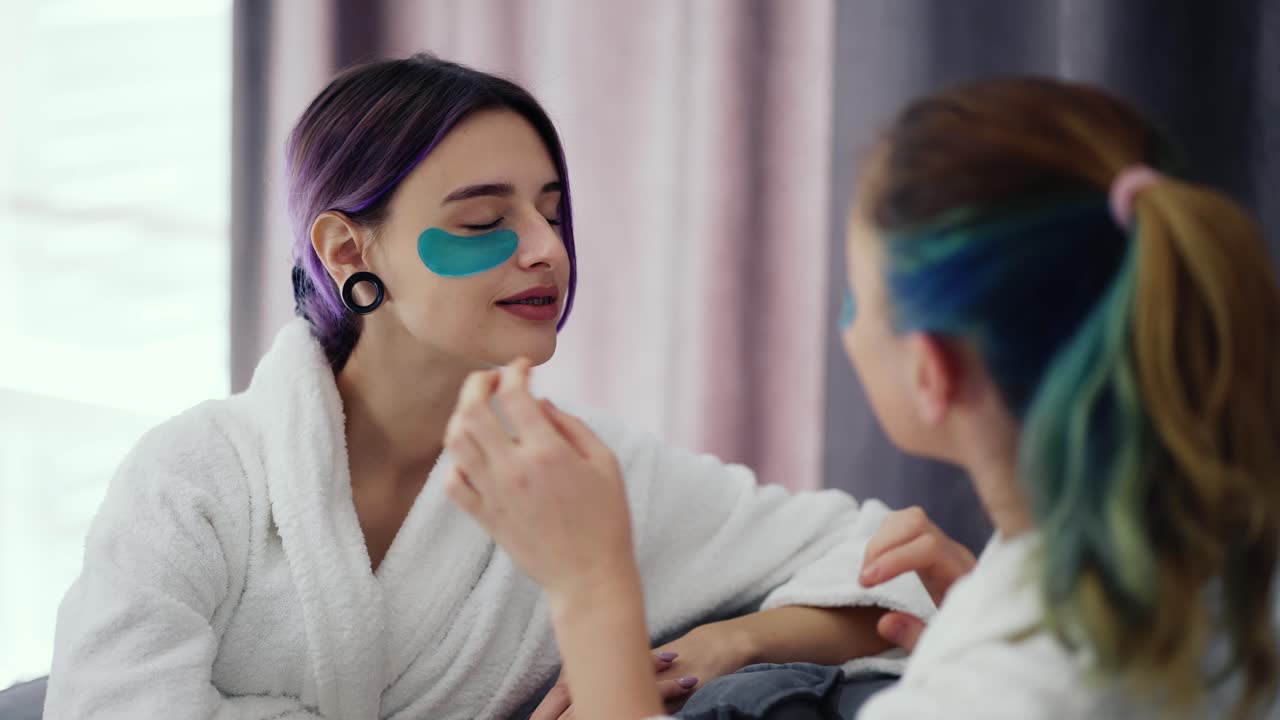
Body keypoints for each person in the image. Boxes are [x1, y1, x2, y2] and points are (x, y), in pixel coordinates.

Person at [42, 54, 938, 720]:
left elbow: (893, 571)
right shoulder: (195, 478)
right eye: (484, 220)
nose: (546, 247)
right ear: (350, 251)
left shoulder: (581, 474)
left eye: (551, 210)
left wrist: (729, 642)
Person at [445, 76, 1280, 720]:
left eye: (856, 298)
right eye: (483, 220)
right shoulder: (1214, 556)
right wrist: (979, 613)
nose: (545, 251)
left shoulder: (1008, 682)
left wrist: (592, 593)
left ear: (930, 370)